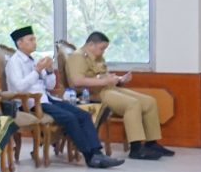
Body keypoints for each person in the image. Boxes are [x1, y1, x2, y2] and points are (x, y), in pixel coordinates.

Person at [4, 27, 124, 169]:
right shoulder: (14, 62)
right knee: (69, 118)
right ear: (20, 43)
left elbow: (50, 85)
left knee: (84, 115)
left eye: (34, 39)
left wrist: (49, 71)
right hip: (30, 102)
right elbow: (19, 87)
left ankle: (97, 152)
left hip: (46, 98)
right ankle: (90, 157)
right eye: (31, 39)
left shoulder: (33, 60)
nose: (34, 42)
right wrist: (37, 71)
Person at [67, 32, 171, 160]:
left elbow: (103, 74)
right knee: (132, 104)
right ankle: (136, 148)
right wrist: (105, 81)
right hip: (94, 94)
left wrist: (120, 79)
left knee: (149, 102)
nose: (103, 52)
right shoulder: (77, 57)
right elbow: (77, 81)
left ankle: (151, 143)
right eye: (102, 48)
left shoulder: (97, 57)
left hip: (109, 88)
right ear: (91, 44)